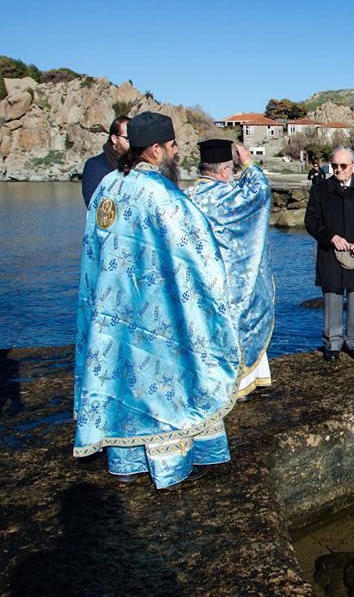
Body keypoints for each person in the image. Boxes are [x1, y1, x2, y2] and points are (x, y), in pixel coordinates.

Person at [73, 111, 241, 489]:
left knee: (122, 377)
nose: (176, 151)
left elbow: (92, 253)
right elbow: (200, 257)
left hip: (113, 310)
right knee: (164, 382)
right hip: (155, 312)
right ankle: (168, 464)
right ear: (154, 150)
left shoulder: (107, 188)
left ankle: (127, 457)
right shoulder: (163, 196)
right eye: (172, 145)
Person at [185, 139, 274, 397]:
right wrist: (248, 163)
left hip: (200, 281)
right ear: (225, 170)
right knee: (241, 325)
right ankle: (242, 384)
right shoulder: (230, 195)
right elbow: (260, 190)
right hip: (233, 280)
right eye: (232, 170)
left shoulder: (185, 197)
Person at [305, 146, 354, 361]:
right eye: (334, 166)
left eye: (343, 166)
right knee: (332, 296)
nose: (338, 169)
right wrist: (331, 237)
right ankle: (332, 343)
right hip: (330, 253)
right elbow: (311, 222)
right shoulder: (319, 190)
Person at [81, 115, 130, 207]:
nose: (132, 143)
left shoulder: (138, 163)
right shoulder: (95, 165)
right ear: (114, 139)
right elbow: (92, 204)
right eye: (128, 139)